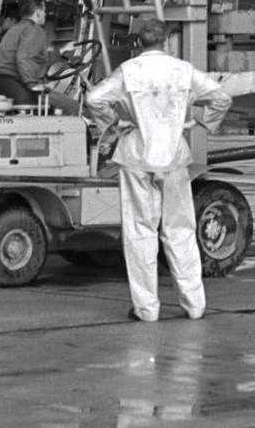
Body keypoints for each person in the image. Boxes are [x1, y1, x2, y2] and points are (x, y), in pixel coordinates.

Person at [84, 19, 232, 322]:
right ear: (167, 42)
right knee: (180, 230)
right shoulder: (182, 70)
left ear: (139, 43)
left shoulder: (128, 71)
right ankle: (194, 305)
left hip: (137, 154)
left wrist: (114, 124)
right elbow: (221, 97)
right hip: (174, 156)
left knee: (140, 231)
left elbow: (93, 99)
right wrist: (202, 122)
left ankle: (147, 309)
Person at [0, 0, 78, 114]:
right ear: (38, 12)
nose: (45, 14)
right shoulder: (35, 30)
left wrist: (63, 50)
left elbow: (34, 58)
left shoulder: (15, 29)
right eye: (44, 11)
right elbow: (23, 57)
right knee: (72, 105)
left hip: (1, 82)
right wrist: (32, 84)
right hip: (19, 84)